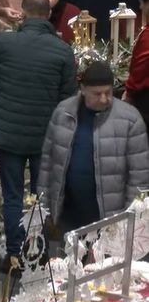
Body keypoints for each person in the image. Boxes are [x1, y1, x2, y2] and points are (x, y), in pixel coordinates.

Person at [0, 0, 77, 269]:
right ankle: (39, 254)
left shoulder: (5, 42)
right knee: (41, 198)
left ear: (23, 14)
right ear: (49, 14)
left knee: (12, 197)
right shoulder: (63, 51)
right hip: (43, 138)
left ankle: (14, 255)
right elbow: (68, 101)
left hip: (9, 137)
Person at [39, 62, 149, 234]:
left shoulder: (130, 120)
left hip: (111, 222)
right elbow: (48, 163)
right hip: (68, 217)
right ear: (83, 90)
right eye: (97, 94)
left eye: (108, 93)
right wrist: (44, 210)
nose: (104, 98)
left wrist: (129, 220)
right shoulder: (63, 113)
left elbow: (139, 177)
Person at [124, 0, 149, 126]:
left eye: (142, 3)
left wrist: (128, 94)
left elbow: (138, 73)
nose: (140, 7)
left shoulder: (147, 37)